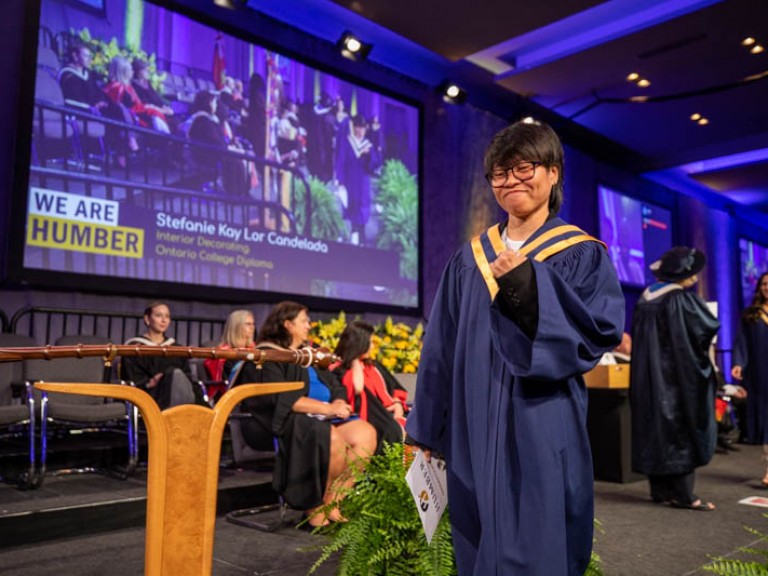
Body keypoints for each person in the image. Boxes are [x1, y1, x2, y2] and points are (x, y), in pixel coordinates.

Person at [405, 119, 625, 575]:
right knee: (475, 531)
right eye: (500, 173)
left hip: (540, 414)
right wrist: (425, 428)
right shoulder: (469, 258)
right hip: (471, 419)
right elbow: (440, 347)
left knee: (537, 535)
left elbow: (596, 332)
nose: (511, 182)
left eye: (524, 169)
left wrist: (528, 286)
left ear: (553, 174)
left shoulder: (580, 253)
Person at [230, 301, 377, 527]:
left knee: (366, 434)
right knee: (332, 439)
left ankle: (334, 499)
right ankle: (315, 507)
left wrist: (338, 400)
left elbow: (335, 383)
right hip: (283, 421)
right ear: (288, 325)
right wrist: (327, 409)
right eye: (304, 321)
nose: (310, 325)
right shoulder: (269, 355)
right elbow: (279, 398)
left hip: (323, 417)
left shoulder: (307, 356)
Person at [630, 246, 720, 510]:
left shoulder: (646, 296)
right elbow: (703, 330)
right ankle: (683, 495)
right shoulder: (680, 299)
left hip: (648, 376)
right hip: (674, 377)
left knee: (654, 427)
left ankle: (660, 490)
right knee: (679, 427)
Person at [332, 320, 408, 451]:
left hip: (387, 414)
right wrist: (355, 360)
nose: (373, 346)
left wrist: (397, 404)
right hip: (366, 419)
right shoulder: (339, 369)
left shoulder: (373, 366)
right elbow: (357, 389)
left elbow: (395, 389)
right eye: (370, 342)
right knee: (392, 430)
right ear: (359, 343)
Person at [121, 301, 206, 410]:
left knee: (178, 376)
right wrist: (151, 382)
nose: (164, 320)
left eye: (167, 316)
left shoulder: (176, 348)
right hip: (150, 395)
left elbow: (187, 375)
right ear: (147, 319)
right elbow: (131, 378)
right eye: (158, 316)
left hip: (182, 394)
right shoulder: (134, 347)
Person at [731, 271, 768, 483]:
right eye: (764, 284)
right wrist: (738, 363)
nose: (766, 287)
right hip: (762, 375)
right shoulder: (751, 315)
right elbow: (741, 342)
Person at [334, 114, 381, 245]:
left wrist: (369, 154)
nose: (360, 131)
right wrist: (340, 180)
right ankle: (354, 236)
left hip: (363, 182)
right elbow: (340, 162)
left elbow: (375, 164)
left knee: (363, 207)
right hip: (350, 181)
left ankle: (362, 236)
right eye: (358, 128)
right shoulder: (347, 142)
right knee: (352, 208)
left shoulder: (368, 145)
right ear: (353, 128)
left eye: (362, 128)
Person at [203, 309, 256, 402]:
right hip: (233, 398)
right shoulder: (223, 354)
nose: (252, 327)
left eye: (253, 324)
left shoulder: (256, 350)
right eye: (248, 324)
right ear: (236, 327)